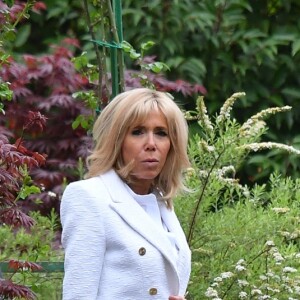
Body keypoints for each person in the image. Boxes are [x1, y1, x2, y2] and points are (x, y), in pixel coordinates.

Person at [60, 88, 191, 300]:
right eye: (137, 132)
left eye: (161, 133)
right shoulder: (89, 197)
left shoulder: (160, 203)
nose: (151, 144)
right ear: (116, 140)